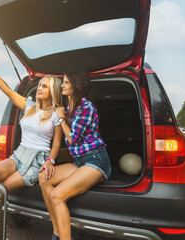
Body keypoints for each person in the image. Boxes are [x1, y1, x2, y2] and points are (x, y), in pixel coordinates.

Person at [38, 70, 112, 240]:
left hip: (96, 161)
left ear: (76, 86)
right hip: (80, 161)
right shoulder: (70, 106)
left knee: (57, 195)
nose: (62, 85)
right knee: (43, 177)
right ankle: (57, 231)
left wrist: (62, 119)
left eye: (66, 82)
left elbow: (71, 139)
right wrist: (50, 159)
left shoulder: (86, 107)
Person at [0, 52, 63, 193]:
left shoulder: (56, 114)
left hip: (39, 159)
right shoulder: (29, 106)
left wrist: (51, 161)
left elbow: (56, 143)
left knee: (3, 189)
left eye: (44, 87)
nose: (39, 88)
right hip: (20, 154)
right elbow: (7, 90)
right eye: (40, 85)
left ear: (53, 92)